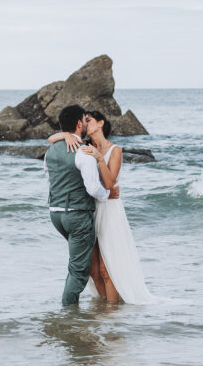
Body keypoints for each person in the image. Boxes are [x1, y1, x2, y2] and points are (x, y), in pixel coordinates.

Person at [48, 110, 154, 304]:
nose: (85, 124)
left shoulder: (115, 150)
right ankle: (102, 307)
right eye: (84, 121)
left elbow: (109, 183)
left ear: (100, 123)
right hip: (89, 209)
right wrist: (65, 135)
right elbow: (51, 139)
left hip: (108, 209)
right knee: (93, 269)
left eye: (88, 120)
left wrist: (98, 158)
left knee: (107, 268)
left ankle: (111, 314)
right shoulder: (83, 146)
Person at [44, 105, 119, 306]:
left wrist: (64, 135)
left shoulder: (50, 151)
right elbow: (94, 189)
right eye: (84, 121)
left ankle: (101, 304)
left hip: (55, 213)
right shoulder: (83, 152)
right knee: (78, 271)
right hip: (78, 214)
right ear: (79, 124)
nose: (86, 124)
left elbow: (49, 178)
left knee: (87, 265)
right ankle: (68, 316)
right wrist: (107, 193)